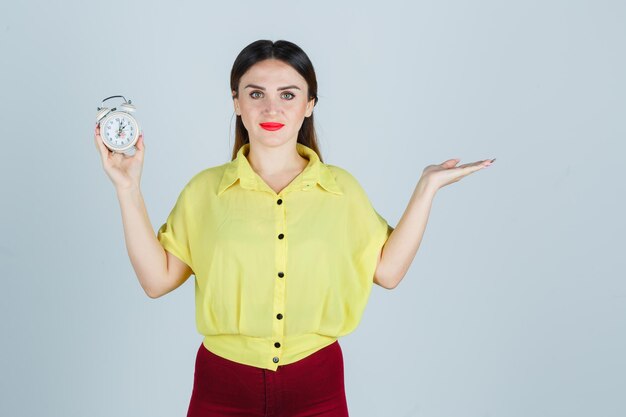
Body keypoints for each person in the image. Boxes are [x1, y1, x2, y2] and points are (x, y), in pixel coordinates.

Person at [94, 39, 495, 417]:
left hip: (316, 382)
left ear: (309, 105)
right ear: (235, 102)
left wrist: (426, 189)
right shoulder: (205, 191)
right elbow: (156, 281)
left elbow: (388, 272)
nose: (272, 109)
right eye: (255, 94)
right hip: (223, 384)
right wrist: (127, 189)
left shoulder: (341, 190)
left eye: (288, 94)